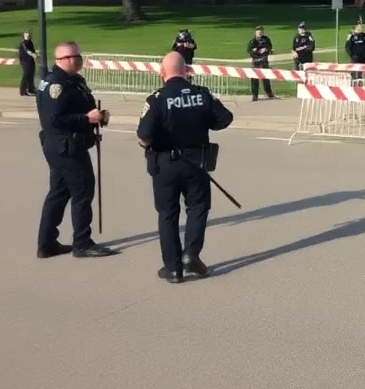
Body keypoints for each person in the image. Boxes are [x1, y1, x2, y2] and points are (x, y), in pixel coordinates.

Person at [136, 51, 235, 283]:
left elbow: (143, 136)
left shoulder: (157, 99)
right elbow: (225, 118)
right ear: (187, 71)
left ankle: (172, 268)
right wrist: (202, 123)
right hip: (196, 162)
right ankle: (190, 255)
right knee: (198, 208)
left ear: (162, 73)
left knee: (168, 214)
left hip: (165, 164)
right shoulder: (201, 95)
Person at [35, 40, 116, 259]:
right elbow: (54, 119)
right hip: (66, 145)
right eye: (71, 57)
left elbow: (80, 106)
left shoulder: (73, 80)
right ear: (59, 60)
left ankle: (47, 243)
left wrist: (97, 116)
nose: (76, 59)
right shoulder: (56, 85)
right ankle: (82, 242)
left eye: (78, 55)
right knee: (83, 190)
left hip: (65, 144)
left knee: (59, 193)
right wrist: (86, 119)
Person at [249, 26, 275, 100]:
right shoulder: (253, 41)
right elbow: (250, 51)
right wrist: (258, 51)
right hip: (256, 62)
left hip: (264, 61)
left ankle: (269, 93)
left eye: (261, 32)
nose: (260, 34)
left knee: (266, 78)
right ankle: (255, 95)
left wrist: (266, 50)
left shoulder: (266, 39)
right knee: (254, 79)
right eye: (258, 32)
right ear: (255, 33)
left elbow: (270, 47)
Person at [19, 30, 37, 96]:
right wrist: (33, 54)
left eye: (29, 35)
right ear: (24, 36)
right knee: (26, 74)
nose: (28, 36)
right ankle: (22, 90)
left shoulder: (30, 42)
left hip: (31, 60)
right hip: (25, 61)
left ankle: (31, 89)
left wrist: (36, 54)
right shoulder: (23, 43)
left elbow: (32, 50)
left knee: (31, 75)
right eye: (27, 35)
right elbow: (27, 50)